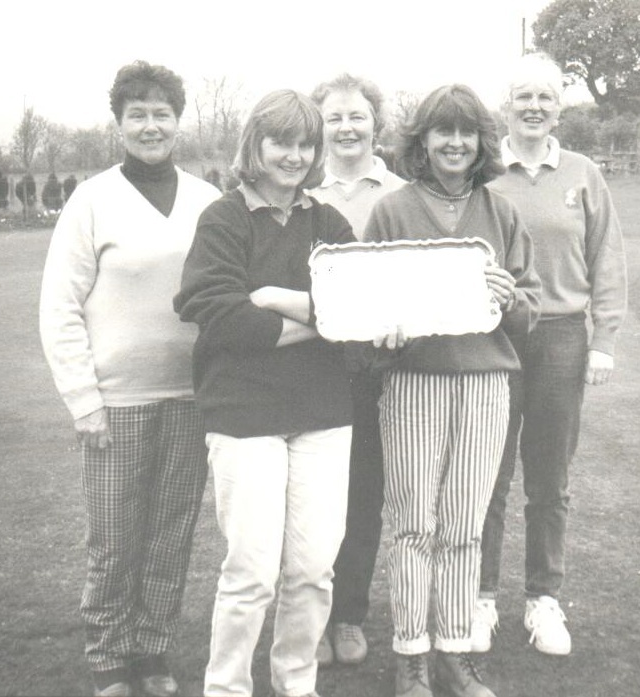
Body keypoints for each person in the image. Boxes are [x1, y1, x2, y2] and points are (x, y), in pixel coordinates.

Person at [39, 60, 221, 697]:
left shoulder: (206, 200)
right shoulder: (92, 199)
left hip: (193, 397)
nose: (151, 125)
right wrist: (83, 399)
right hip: (116, 402)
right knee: (115, 538)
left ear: (178, 121)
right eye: (137, 114)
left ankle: (152, 650)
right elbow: (59, 305)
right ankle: (108, 654)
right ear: (119, 123)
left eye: (161, 113)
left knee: (171, 535)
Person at [174, 89, 355, 697]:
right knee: (251, 572)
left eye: (306, 143)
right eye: (282, 141)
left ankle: (295, 682)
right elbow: (220, 318)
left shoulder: (329, 224)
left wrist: (278, 300)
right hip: (244, 415)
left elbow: (359, 318)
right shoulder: (223, 219)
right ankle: (226, 688)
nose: (295, 155)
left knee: (312, 571)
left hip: (323, 416)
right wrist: (323, 321)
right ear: (256, 143)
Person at [362, 84, 541, 697]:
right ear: (423, 140)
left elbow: (530, 307)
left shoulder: (501, 212)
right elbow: (366, 311)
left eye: (467, 133)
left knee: (464, 524)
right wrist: (380, 330)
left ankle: (454, 650)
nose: (456, 143)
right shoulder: (392, 210)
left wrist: (508, 296)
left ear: (482, 143)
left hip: (488, 381)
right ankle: (411, 653)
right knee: (414, 524)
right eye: (443, 132)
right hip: (414, 382)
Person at [472, 52, 628, 657]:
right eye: (523, 96)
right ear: (505, 106)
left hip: (562, 336)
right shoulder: (485, 175)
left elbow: (606, 256)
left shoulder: (583, 172)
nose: (534, 107)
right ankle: (481, 597)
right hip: (495, 337)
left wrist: (606, 339)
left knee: (549, 478)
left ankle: (543, 599)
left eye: (545, 97)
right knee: (488, 474)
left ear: (559, 106)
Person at [308, 73, 406, 666]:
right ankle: (310, 617)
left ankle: (348, 616)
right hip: (312, 364)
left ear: (376, 123)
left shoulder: (399, 193)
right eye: (334, 118)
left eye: (357, 116)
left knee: (363, 497)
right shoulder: (301, 190)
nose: (347, 127)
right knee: (312, 502)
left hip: (379, 368)